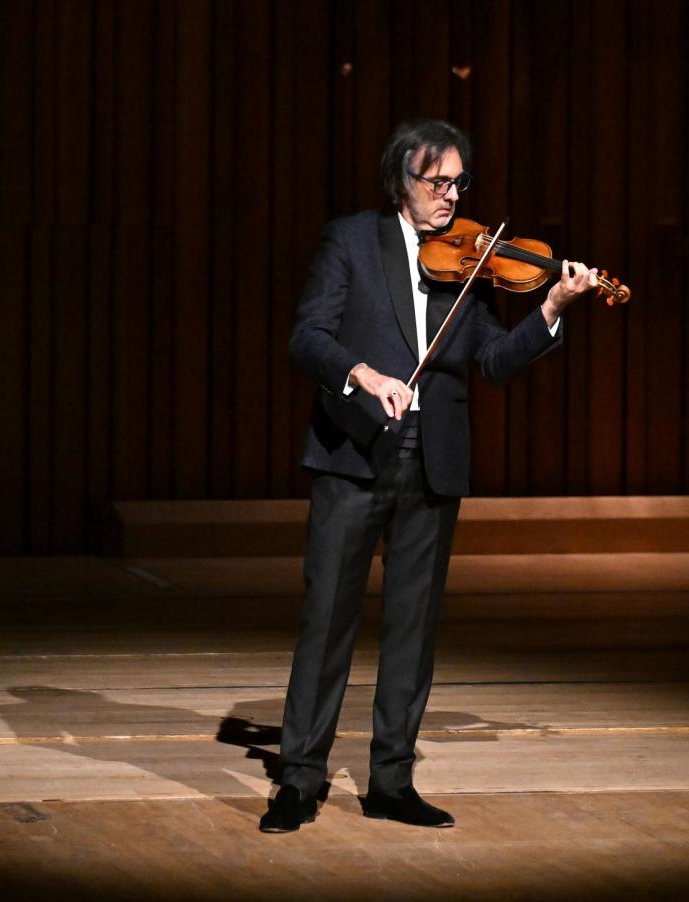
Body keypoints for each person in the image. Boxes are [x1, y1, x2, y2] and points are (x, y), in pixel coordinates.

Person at [260, 119, 598, 833]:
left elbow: (496, 360)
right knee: (326, 624)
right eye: (434, 180)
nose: (449, 194)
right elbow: (307, 336)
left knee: (412, 629)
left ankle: (390, 782)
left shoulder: (471, 262)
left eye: (457, 181)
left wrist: (550, 310)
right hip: (353, 454)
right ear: (398, 183)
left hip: (432, 459)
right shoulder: (351, 240)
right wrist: (362, 373)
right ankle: (299, 779)